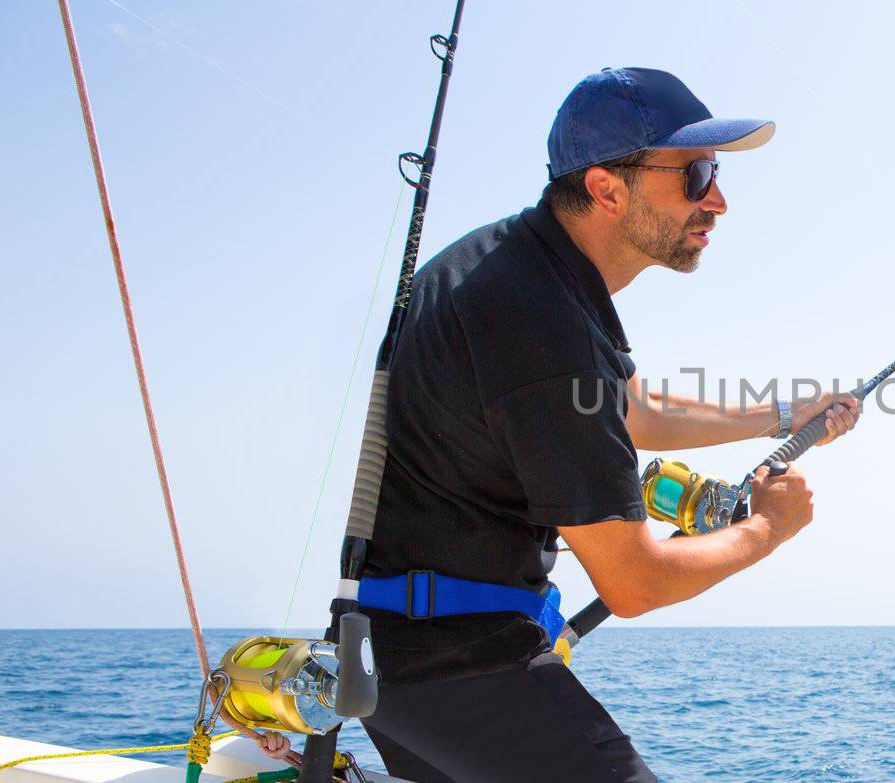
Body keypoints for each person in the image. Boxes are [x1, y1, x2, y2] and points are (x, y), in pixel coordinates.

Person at [356, 67, 861, 782]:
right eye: (694, 174)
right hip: (465, 672)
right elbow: (635, 582)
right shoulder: (544, 325)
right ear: (604, 188)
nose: (717, 199)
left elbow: (634, 411)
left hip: (390, 665)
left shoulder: (515, 265)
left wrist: (781, 415)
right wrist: (766, 529)